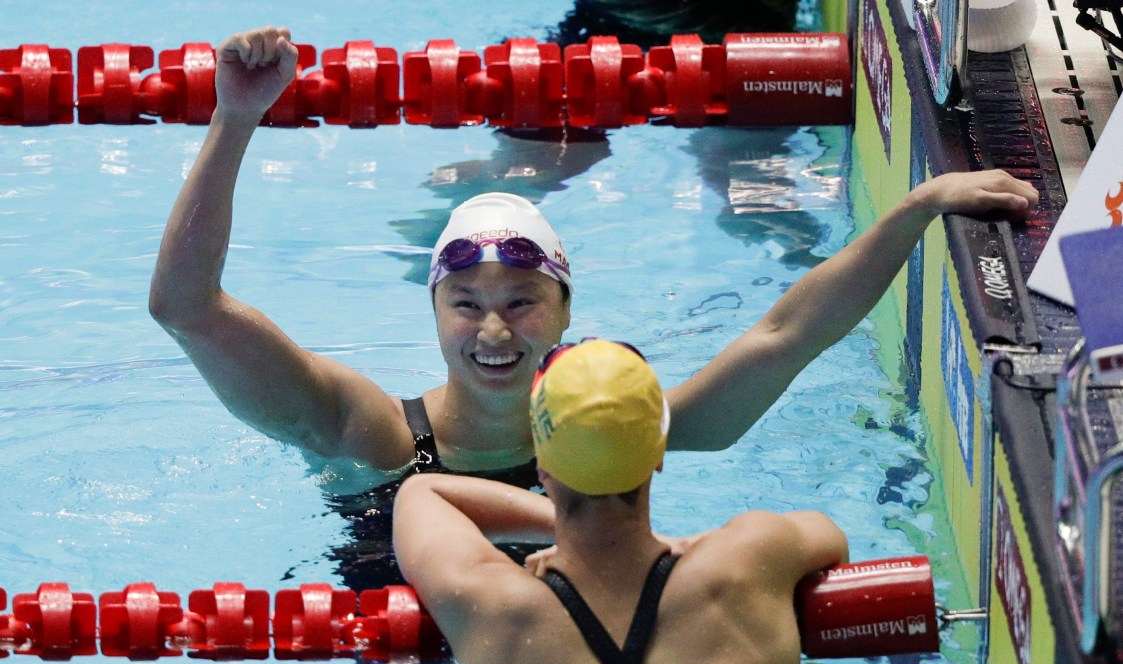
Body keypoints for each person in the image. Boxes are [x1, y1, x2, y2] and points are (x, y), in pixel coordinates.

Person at [150, 26, 1039, 502]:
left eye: (521, 300)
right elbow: (185, 308)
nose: (494, 327)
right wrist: (235, 118)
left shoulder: (623, 432)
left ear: (567, 309)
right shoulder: (363, 430)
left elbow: (785, 333)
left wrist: (918, 207)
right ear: (432, 312)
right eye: (466, 302)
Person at [392, 339, 850, 664]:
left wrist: (568, 530)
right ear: (657, 455)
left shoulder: (493, 606)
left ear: (542, 468)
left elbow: (421, 492)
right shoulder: (750, 560)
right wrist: (690, 543)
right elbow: (832, 541)